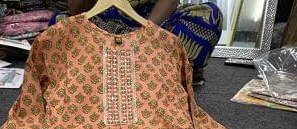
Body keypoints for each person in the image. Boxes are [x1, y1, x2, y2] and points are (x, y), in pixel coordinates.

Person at [49, 0, 223, 85]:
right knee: (58, 25)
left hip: (153, 24)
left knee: (209, 17)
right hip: (103, 22)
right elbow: (77, 11)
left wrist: (146, 34)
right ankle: (145, 74)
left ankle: (114, 72)